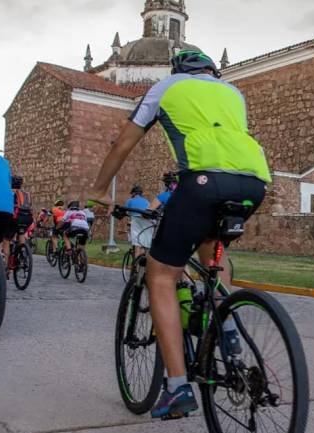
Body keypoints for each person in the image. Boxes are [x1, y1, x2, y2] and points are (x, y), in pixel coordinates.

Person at [87, 49, 271, 419]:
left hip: (202, 182)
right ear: (211, 70)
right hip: (254, 184)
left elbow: (123, 142)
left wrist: (98, 188)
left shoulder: (165, 87)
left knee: (161, 275)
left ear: (178, 69)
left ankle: (177, 387)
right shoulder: (233, 93)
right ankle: (227, 324)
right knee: (213, 253)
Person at [3, 175, 34, 261]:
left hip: (16, 217)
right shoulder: (26, 194)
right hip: (28, 218)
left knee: (6, 239)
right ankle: (22, 253)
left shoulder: (9, 192)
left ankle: (5, 264)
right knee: (21, 233)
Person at [125, 184, 151, 258]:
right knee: (142, 244)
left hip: (136, 221)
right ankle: (141, 265)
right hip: (147, 222)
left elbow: (125, 212)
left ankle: (135, 266)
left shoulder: (130, 201)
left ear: (134, 193)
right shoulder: (146, 201)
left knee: (137, 245)